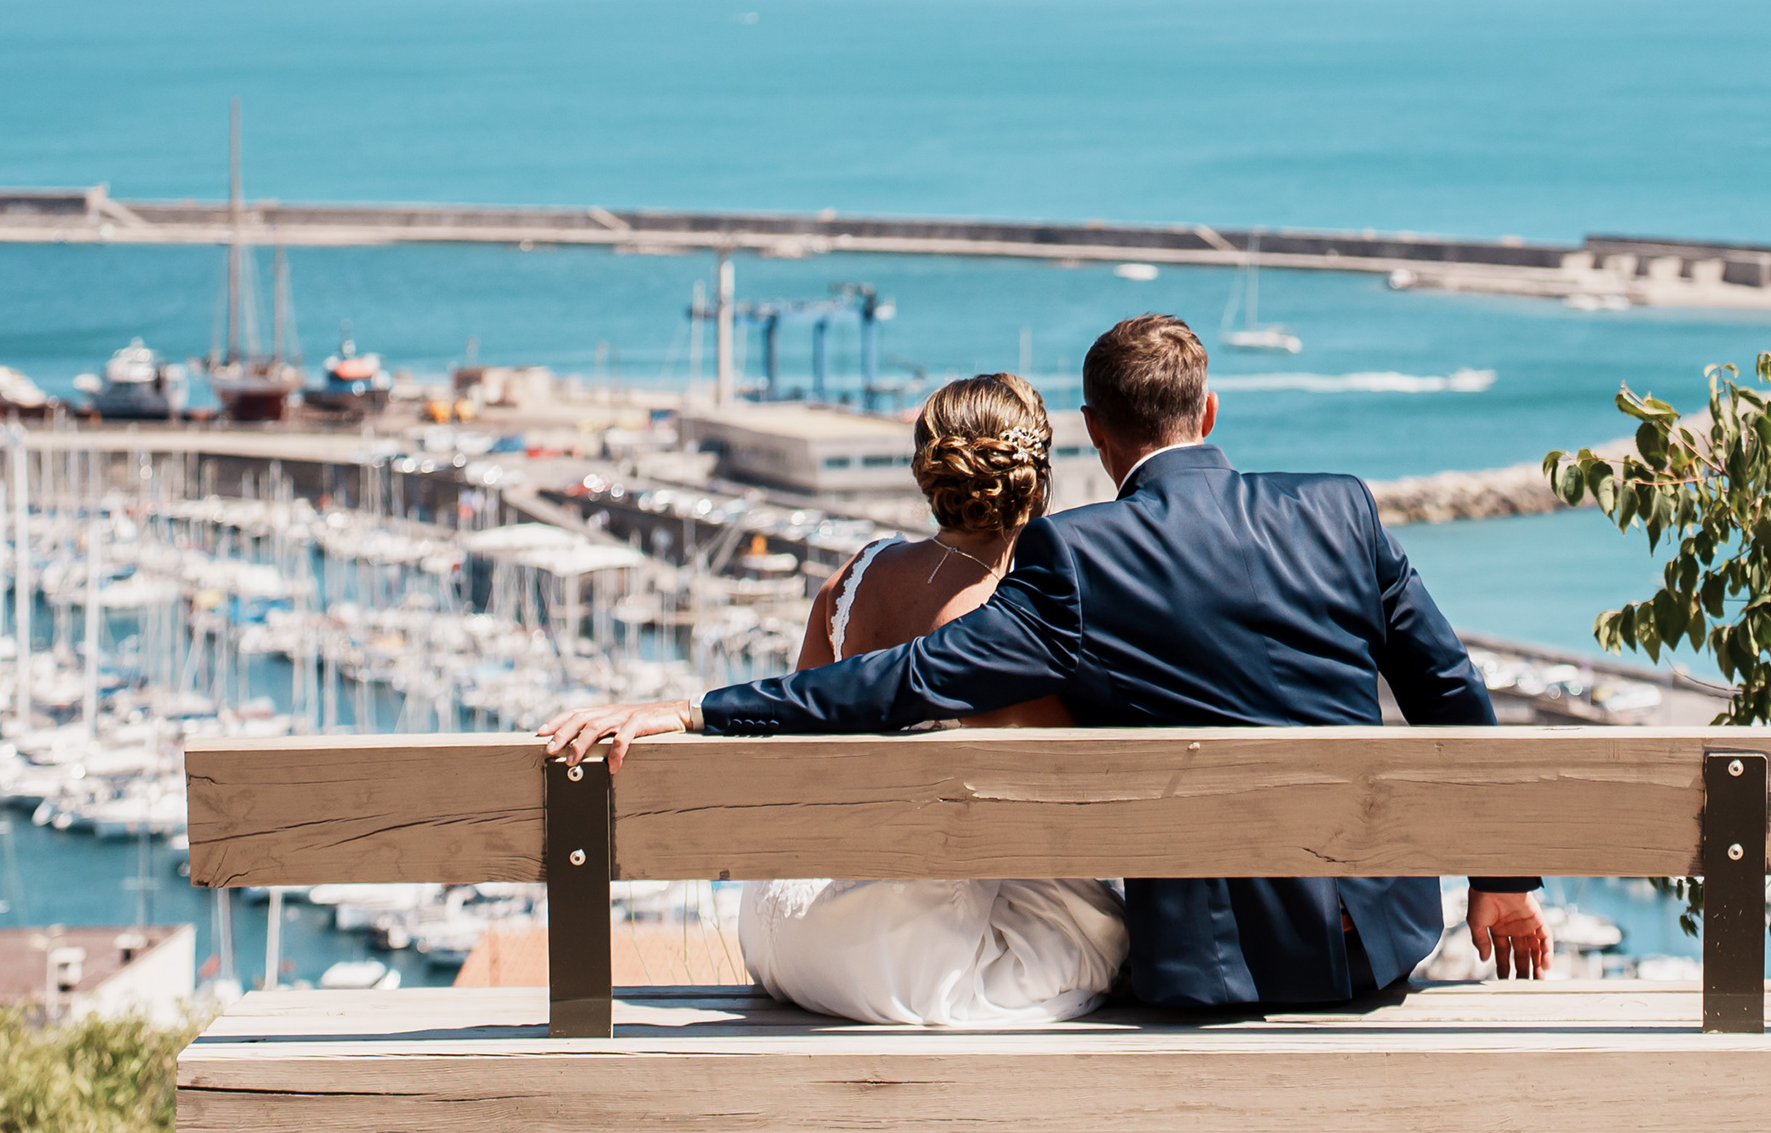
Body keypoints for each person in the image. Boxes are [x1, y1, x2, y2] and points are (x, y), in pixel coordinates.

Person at [542, 315, 1552, 1012]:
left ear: (1097, 435)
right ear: (1208, 413)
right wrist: (1500, 878)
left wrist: (695, 710)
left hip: (1217, 977)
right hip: (1377, 942)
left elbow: (908, 679)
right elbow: (1448, 683)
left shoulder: (1080, 556)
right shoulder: (1342, 507)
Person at [729, 372, 1129, 1026]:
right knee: (1105, 930)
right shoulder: (1014, 628)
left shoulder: (851, 579)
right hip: (914, 963)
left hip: (788, 931)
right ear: (1038, 474)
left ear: (929, 471)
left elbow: (797, 746)